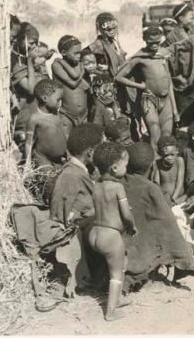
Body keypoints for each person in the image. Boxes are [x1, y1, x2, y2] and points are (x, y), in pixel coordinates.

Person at [122, 142, 194, 288]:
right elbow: (168, 224)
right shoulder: (150, 188)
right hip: (141, 254)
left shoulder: (119, 183)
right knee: (187, 244)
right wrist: (185, 260)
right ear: (152, 165)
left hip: (121, 249)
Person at [49, 123, 104, 297]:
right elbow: (60, 215)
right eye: (101, 148)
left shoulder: (82, 171)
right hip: (81, 233)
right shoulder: (70, 175)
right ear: (90, 152)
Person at [89, 142, 138, 321]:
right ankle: (111, 312)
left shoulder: (95, 185)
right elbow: (126, 214)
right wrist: (132, 227)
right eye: (125, 164)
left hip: (95, 233)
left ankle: (116, 298)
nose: (127, 167)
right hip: (110, 236)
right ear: (115, 167)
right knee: (116, 274)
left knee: (121, 262)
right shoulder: (118, 187)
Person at [116, 24, 178, 152]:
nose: (154, 45)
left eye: (157, 42)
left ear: (161, 39)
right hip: (149, 100)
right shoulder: (140, 57)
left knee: (166, 138)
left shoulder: (163, 54)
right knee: (155, 137)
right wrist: (140, 86)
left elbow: (169, 81)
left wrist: (175, 109)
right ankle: (153, 167)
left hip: (166, 100)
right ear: (145, 40)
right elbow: (119, 77)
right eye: (151, 43)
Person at [162, 3, 194, 127]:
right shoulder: (172, 37)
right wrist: (180, 78)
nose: (192, 19)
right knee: (186, 122)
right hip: (182, 87)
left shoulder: (191, 34)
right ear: (181, 18)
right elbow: (172, 64)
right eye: (190, 16)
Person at [87, 12, 132, 118]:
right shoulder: (97, 45)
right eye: (108, 30)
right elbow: (85, 58)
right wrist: (100, 71)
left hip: (119, 83)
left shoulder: (115, 42)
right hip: (105, 86)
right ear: (101, 29)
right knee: (111, 116)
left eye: (114, 28)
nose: (112, 31)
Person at [10, 22, 44, 143]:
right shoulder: (15, 61)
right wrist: (30, 60)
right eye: (31, 43)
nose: (34, 46)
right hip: (22, 118)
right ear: (20, 40)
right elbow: (31, 88)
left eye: (36, 43)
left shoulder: (22, 57)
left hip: (31, 114)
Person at [24, 79, 66, 171]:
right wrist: (28, 164)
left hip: (60, 159)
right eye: (58, 99)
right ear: (45, 98)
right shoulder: (35, 119)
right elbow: (28, 143)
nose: (60, 103)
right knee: (48, 182)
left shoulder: (56, 113)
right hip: (43, 159)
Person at [52, 35, 89, 138]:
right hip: (67, 114)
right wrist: (62, 62)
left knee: (84, 143)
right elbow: (73, 83)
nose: (79, 56)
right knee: (66, 142)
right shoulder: (57, 65)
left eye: (80, 53)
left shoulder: (78, 64)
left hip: (84, 114)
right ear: (64, 53)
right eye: (75, 53)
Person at [152, 136, 186, 206]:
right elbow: (156, 184)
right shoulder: (157, 163)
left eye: (172, 155)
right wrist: (163, 200)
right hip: (164, 199)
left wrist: (173, 199)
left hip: (178, 198)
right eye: (166, 155)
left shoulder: (179, 161)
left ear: (177, 151)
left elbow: (179, 182)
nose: (169, 158)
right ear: (161, 154)